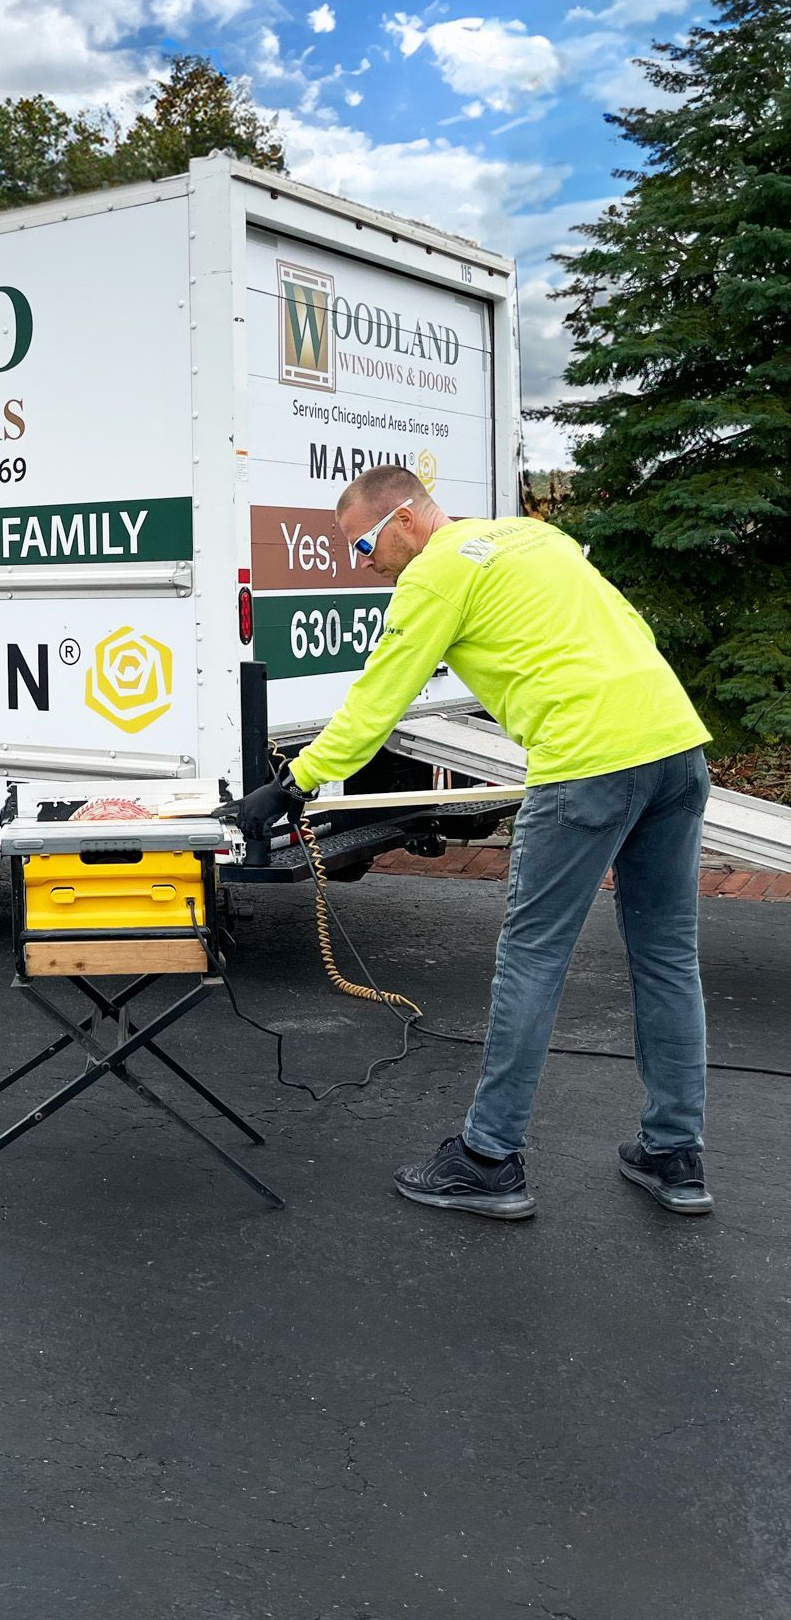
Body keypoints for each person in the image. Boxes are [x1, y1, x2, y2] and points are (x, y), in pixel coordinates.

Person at [243, 463, 714, 1222]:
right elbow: (617, 627)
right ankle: (674, 1153)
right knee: (667, 957)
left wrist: (292, 784)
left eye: (362, 544)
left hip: (587, 765)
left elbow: (376, 701)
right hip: (674, 748)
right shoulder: (530, 535)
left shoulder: (433, 575)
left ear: (402, 521)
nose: (361, 563)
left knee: (532, 960)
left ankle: (488, 1160)